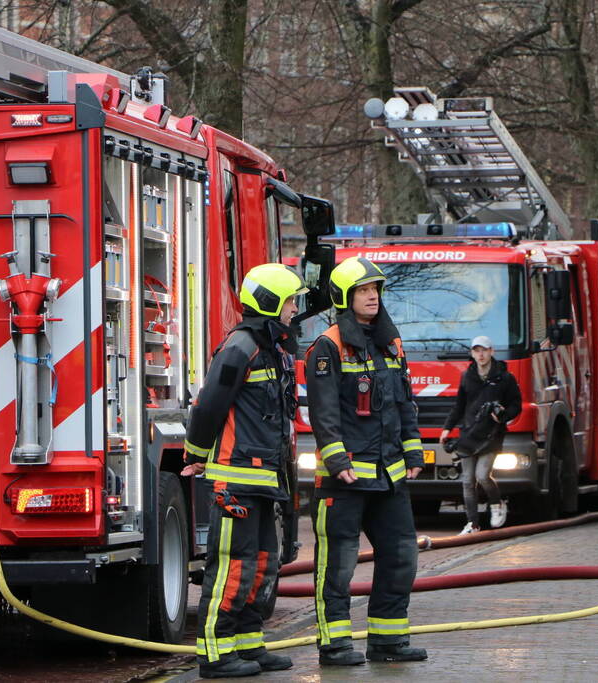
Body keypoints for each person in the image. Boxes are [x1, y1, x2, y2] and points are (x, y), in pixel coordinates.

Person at [181, 263, 306, 679]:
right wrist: (196, 453)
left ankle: (249, 643)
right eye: (289, 301)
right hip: (236, 477)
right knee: (233, 565)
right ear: (269, 302)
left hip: (265, 478)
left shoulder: (272, 348)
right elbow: (210, 404)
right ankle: (215, 654)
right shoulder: (240, 347)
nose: (293, 309)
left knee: (262, 563)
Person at [304, 256, 427, 666]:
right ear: (344, 296)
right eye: (363, 290)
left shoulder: (391, 343)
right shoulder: (328, 346)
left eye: (375, 288)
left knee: (401, 554)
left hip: (389, 477)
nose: (372, 295)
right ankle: (335, 644)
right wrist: (337, 460)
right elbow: (323, 412)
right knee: (337, 566)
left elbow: (403, 402)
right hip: (345, 480)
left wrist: (413, 448)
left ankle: (388, 641)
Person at [440, 335, 522, 535]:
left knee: (482, 475)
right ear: (472, 354)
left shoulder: (505, 378)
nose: (481, 354)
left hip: (491, 435)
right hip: (469, 434)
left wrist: (502, 416)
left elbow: (516, 405)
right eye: (477, 351)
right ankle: (472, 524)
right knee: (467, 480)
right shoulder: (467, 377)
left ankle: (497, 505)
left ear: (492, 351)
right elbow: (459, 405)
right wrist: (447, 428)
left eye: (484, 350)